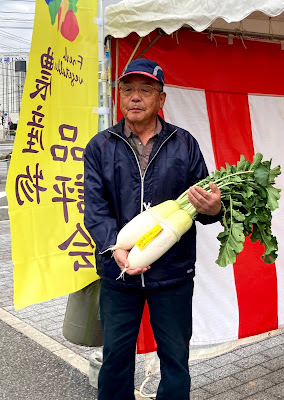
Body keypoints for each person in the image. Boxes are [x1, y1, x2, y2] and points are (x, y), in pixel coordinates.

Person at [84, 58, 221, 400]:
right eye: (128, 89)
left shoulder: (184, 144)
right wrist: (112, 246)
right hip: (119, 273)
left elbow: (202, 209)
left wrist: (214, 208)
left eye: (145, 90)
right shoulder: (99, 147)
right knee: (115, 358)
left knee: (175, 358)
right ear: (119, 97)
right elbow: (95, 208)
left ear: (161, 99)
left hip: (172, 274)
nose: (134, 97)